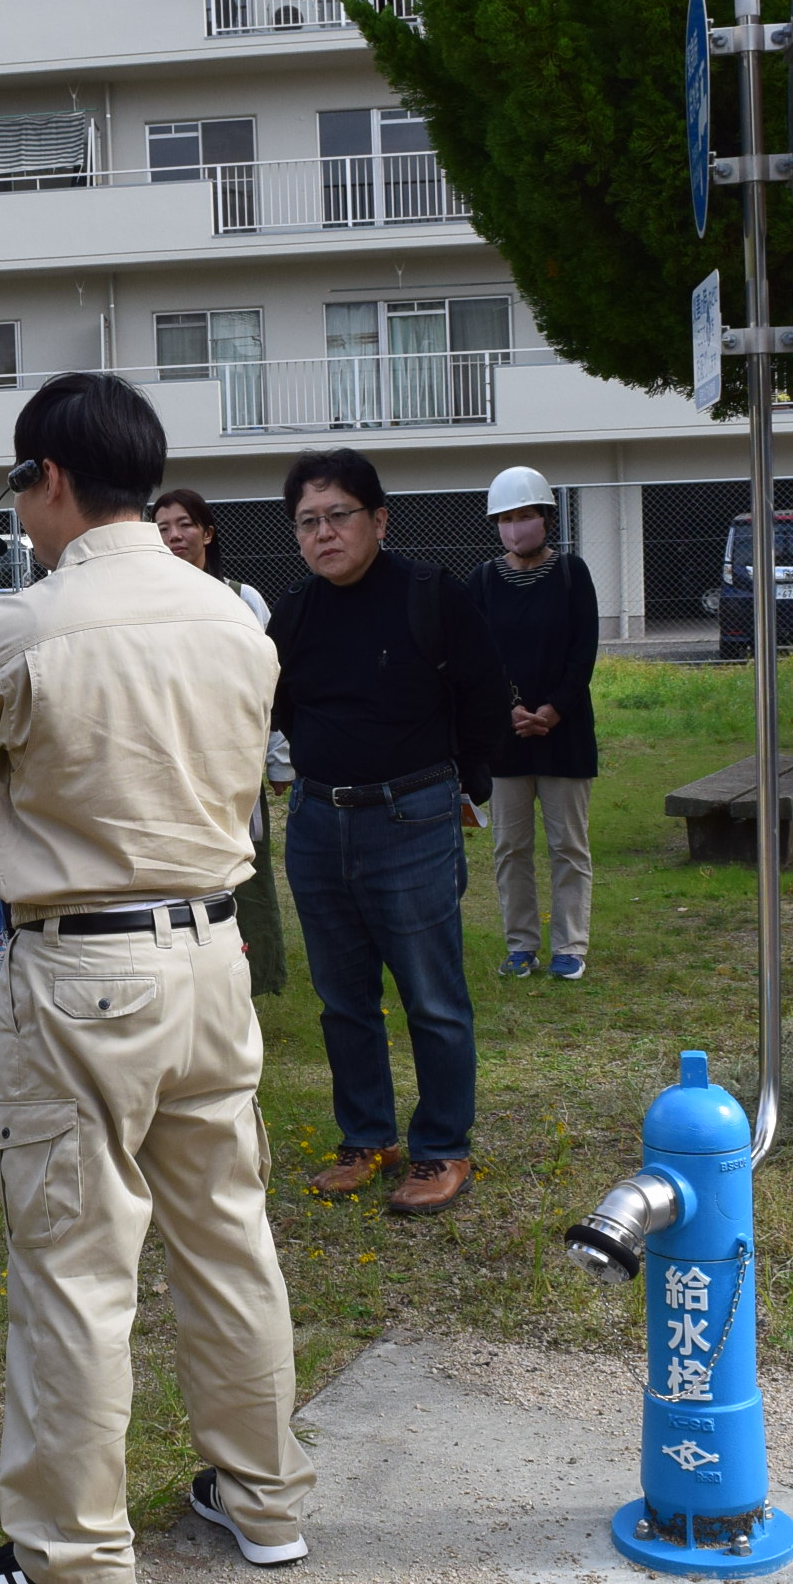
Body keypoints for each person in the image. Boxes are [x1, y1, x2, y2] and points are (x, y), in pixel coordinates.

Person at [0, 373, 313, 1584]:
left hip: (83, 963)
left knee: (79, 1259)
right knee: (227, 1234)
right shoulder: (236, 620)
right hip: (212, 952)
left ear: (54, 480)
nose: (20, 509)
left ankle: (73, 1558)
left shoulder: (20, 626)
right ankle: (264, 1495)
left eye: (20, 485)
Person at [270, 449, 512, 1216]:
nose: (324, 533)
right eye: (308, 522)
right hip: (316, 822)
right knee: (343, 1000)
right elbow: (269, 712)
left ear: (378, 518)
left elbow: (482, 697)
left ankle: (442, 1148)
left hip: (412, 817)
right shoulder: (294, 614)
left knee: (431, 997)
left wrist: (461, 790)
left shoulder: (430, 594)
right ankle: (365, 1137)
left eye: (339, 515)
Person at [152, 488, 292, 997]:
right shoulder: (146, 602)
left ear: (207, 532)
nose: (174, 536)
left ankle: (252, 977)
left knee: (244, 868)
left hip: (232, 761)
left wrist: (278, 762)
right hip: (168, 763)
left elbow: (269, 689)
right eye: (163, 527)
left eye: (184, 524)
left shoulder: (242, 598)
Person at [473, 467, 600, 979]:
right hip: (506, 739)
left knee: (568, 844)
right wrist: (507, 709)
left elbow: (583, 650)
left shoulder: (572, 574)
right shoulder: (482, 581)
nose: (514, 528)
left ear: (546, 518)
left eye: (524, 516)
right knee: (510, 846)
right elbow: (475, 656)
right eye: (504, 519)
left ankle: (570, 945)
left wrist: (554, 709)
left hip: (564, 733)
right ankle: (520, 945)